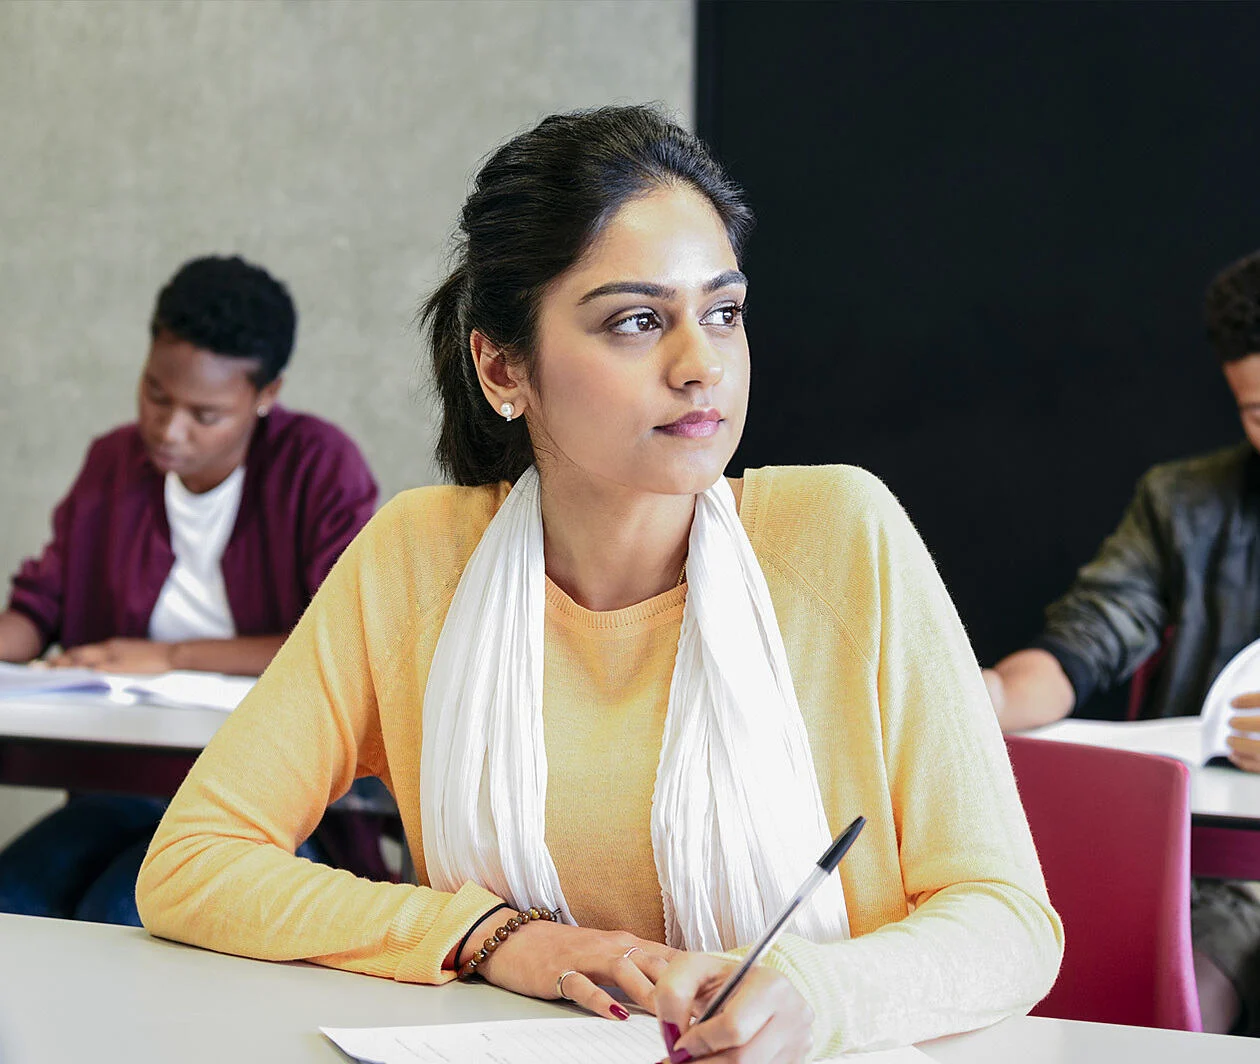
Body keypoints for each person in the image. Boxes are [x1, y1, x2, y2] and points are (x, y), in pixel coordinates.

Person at [137, 108, 1061, 1061]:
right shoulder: (416, 558)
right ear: (502, 364)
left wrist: (812, 994)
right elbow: (193, 862)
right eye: (637, 321)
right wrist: (492, 937)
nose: (701, 365)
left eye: (724, 312)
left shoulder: (841, 536)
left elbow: (1008, 923)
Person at [0, 254, 378, 925]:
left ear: (266, 395)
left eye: (205, 414)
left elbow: (346, 644)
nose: (170, 430)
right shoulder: (112, 463)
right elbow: (37, 608)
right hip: (125, 784)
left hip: (268, 804)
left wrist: (172, 656)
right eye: (155, 395)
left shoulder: (318, 467)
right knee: (15, 900)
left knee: (117, 913)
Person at [984, 250, 1260, 1036]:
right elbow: (1086, 639)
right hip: (1214, 875)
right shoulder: (1185, 504)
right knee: (1163, 1007)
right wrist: (996, 695)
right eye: (1259, 412)